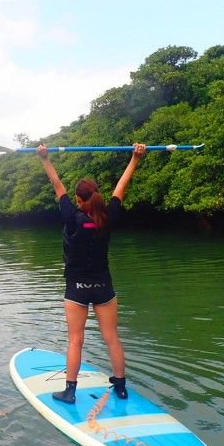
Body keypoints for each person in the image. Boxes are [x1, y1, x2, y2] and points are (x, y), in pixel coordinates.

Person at [37, 142, 147, 404]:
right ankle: (120, 387)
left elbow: (57, 185)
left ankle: (70, 391)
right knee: (112, 339)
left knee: (75, 340)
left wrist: (44, 159)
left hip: (76, 289)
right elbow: (121, 187)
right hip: (103, 288)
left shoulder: (70, 216)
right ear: (97, 195)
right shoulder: (107, 217)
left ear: (77, 199)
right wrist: (135, 158)